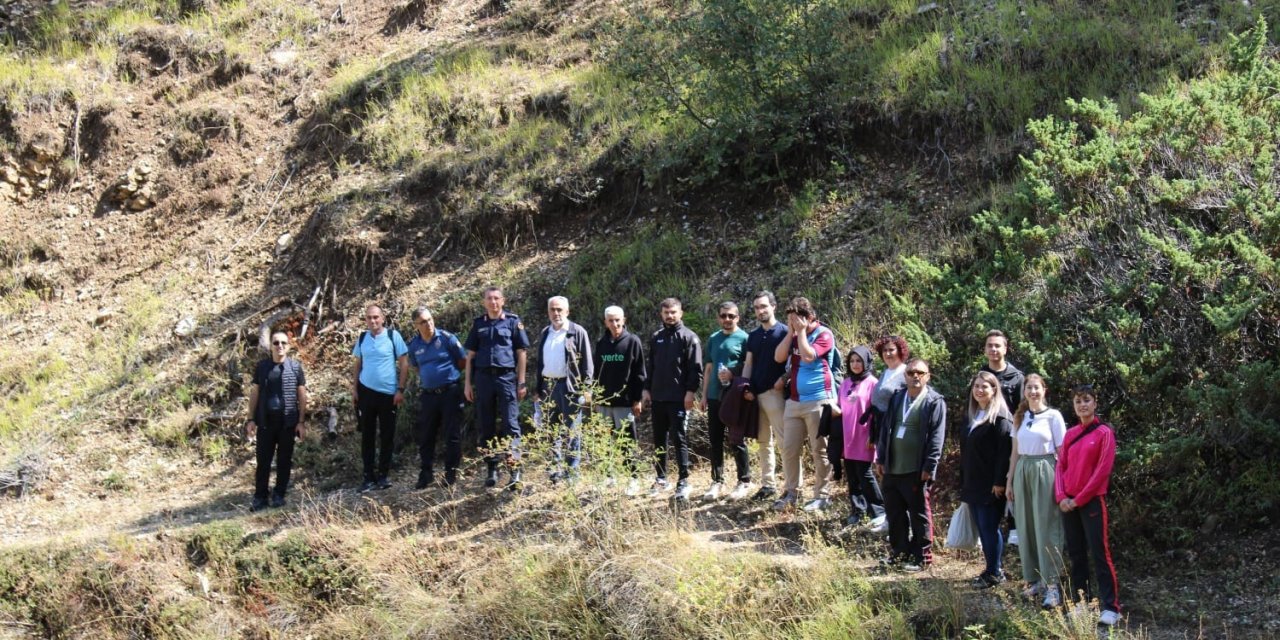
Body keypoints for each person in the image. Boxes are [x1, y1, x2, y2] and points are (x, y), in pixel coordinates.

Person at [1056, 385, 1122, 629]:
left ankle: (1111, 607)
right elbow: (1060, 467)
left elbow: (1101, 472)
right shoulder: (1070, 433)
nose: (1082, 405)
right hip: (1068, 503)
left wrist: (1078, 499)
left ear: (1095, 403)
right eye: (1078, 401)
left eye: (1087, 400)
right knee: (1076, 554)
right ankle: (1081, 602)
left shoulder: (1104, 433)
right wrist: (1061, 496)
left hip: (1091, 501)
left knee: (1099, 553)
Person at [875, 357, 945, 572]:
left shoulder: (934, 401)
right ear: (905, 375)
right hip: (892, 468)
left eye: (920, 373)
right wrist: (881, 458)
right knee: (894, 514)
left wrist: (929, 467)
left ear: (928, 376)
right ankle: (899, 554)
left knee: (919, 515)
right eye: (911, 372)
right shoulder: (898, 398)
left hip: (916, 470)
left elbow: (936, 437)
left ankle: (922, 558)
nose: (915, 376)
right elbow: (886, 428)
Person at [1007, 373, 1068, 607]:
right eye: (1028, 388)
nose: (1032, 392)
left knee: (1046, 525)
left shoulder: (1054, 416)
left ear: (1044, 390)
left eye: (1036, 387)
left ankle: (1052, 584)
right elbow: (1014, 451)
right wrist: (1010, 480)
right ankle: (1034, 580)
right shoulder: (1020, 416)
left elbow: (1062, 452)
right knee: (1026, 525)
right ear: (1024, 391)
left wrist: (1064, 483)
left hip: (1046, 468)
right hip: (1023, 468)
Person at [772, 297, 836, 511]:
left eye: (796, 320)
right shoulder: (794, 334)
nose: (792, 323)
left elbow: (809, 356)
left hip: (818, 400)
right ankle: (792, 492)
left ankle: (822, 495)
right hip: (794, 401)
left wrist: (800, 333)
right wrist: (791, 332)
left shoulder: (824, 334)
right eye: (789, 320)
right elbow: (779, 358)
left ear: (809, 318)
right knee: (789, 449)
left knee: (820, 450)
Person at [464, 286, 530, 490]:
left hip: (506, 378)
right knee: (486, 425)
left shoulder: (512, 322)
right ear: (484, 302)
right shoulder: (478, 324)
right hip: (483, 379)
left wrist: (521, 382)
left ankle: (514, 471)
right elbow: (470, 357)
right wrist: (467, 383)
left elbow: (521, 353)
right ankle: (492, 468)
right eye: (489, 299)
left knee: (511, 425)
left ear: (503, 301)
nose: (493, 302)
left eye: (496, 298)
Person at [642, 297, 703, 500]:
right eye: (666, 312)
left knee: (679, 439)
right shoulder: (656, 337)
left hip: (678, 398)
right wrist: (646, 389)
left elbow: (695, 369)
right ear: (661, 314)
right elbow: (650, 366)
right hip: (658, 397)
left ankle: (683, 481)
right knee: (659, 439)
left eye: (673, 312)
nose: (670, 316)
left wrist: (690, 392)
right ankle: (661, 478)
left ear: (680, 313)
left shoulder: (689, 337)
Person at [959, 371, 1014, 588]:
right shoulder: (972, 416)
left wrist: (999, 482)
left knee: (989, 528)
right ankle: (990, 568)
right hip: (972, 482)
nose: (979, 390)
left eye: (985, 386)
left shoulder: (1001, 419)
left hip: (991, 485)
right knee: (982, 530)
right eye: (976, 386)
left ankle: (995, 572)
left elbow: (1004, 453)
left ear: (994, 390)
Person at [406, 307, 466, 489]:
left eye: (430, 319)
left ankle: (451, 473)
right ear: (416, 325)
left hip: (450, 392)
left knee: (452, 435)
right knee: (426, 436)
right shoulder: (414, 346)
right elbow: (415, 367)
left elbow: (462, 361)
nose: (429, 324)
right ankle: (426, 474)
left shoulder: (447, 339)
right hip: (429, 395)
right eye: (423, 321)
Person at [534, 296, 593, 483]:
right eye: (552, 309)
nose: (556, 313)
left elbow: (587, 364)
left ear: (567, 311)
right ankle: (555, 470)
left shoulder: (577, 332)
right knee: (552, 432)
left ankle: (571, 473)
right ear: (548, 312)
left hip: (570, 389)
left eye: (559, 309)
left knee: (572, 432)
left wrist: (587, 389)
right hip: (548, 387)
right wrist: (538, 388)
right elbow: (540, 363)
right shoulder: (545, 332)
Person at [351, 304, 409, 493]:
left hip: (388, 394)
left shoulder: (393, 336)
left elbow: (404, 363)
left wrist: (400, 389)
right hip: (366, 392)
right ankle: (368, 477)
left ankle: (383, 475)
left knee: (387, 435)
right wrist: (354, 389)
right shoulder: (362, 338)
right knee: (367, 435)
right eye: (369, 318)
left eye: (376, 317)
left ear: (383, 318)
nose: (373, 321)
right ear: (366, 320)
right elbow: (358, 364)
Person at [247, 332, 308, 510]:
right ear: (271, 346)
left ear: (288, 346)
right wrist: (250, 419)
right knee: (263, 461)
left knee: (284, 460)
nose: (279, 346)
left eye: (283, 343)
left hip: (288, 422)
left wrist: (301, 422)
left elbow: (302, 395)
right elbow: (255, 393)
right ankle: (260, 497)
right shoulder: (262, 367)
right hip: (265, 422)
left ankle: (279, 494)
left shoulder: (295, 367)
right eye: (276, 343)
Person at [592, 305, 647, 492]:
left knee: (627, 442)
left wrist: (637, 399)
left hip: (625, 402)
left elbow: (640, 373)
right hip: (604, 402)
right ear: (605, 322)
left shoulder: (633, 341)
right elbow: (596, 373)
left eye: (617, 320)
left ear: (624, 320)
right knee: (604, 443)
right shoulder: (601, 344)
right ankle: (609, 477)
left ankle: (633, 479)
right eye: (610, 320)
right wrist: (595, 397)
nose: (614, 323)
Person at [740, 291, 788, 500]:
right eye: (757, 308)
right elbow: (749, 363)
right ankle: (768, 485)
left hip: (776, 394)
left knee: (784, 441)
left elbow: (792, 364)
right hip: (756, 395)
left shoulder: (785, 332)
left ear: (773, 306)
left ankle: (791, 486)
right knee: (763, 443)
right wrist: (744, 387)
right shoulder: (753, 336)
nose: (760, 311)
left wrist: (784, 380)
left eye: (764, 306)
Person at [701, 301, 750, 500]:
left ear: (737, 317)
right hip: (714, 395)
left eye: (731, 316)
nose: (727, 319)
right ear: (718, 317)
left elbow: (749, 366)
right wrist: (703, 395)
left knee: (737, 439)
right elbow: (709, 369)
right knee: (715, 439)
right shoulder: (713, 339)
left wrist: (734, 374)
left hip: (735, 396)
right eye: (723, 316)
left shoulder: (745, 338)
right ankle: (717, 481)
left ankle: (744, 480)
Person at [981, 329, 1025, 546]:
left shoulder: (1017, 377)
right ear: (985, 349)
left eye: (998, 345)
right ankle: (989, 528)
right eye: (990, 345)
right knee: (988, 481)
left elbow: (1022, 409)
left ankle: (1014, 526)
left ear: (1005, 349)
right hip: (985, 438)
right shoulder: (980, 376)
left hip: (1009, 438)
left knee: (1010, 479)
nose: (994, 349)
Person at [836, 345, 886, 530]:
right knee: (852, 475)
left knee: (865, 474)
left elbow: (877, 412)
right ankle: (858, 510)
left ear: (866, 362)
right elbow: (839, 408)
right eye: (852, 361)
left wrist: (873, 436)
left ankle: (878, 511)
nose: (856, 364)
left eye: (859, 361)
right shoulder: (845, 383)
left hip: (864, 436)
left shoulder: (873, 383)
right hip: (847, 437)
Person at [870, 335, 910, 440]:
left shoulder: (906, 373)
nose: (887, 353)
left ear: (900, 351)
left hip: (894, 428)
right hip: (879, 426)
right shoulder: (885, 372)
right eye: (884, 350)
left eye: (891, 350)